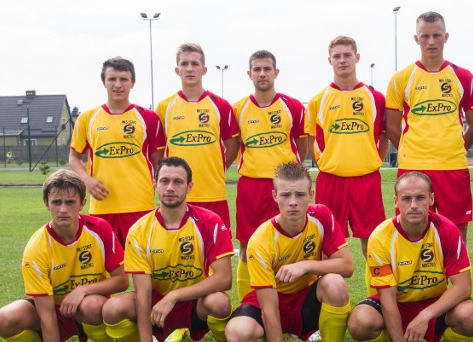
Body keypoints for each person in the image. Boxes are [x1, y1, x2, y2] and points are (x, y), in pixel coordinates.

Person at [102, 157, 239, 342]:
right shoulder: (140, 230)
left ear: (190, 186)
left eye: (178, 182)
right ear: (154, 183)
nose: (170, 188)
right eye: (164, 181)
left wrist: (174, 295)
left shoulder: (209, 221)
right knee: (112, 309)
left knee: (220, 301)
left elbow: (224, 278)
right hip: (155, 306)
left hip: (195, 303)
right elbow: (143, 296)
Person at [0, 169, 128, 342]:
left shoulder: (99, 229)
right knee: (5, 319)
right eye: (56, 202)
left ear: (83, 203)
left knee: (92, 304)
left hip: (89, 308)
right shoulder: (36, 248)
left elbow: (122, 280)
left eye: (69, 202)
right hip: (53, 308)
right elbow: (46, 314)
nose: (63, 209)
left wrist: (83, 290)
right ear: (46, 203)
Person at [224, 162, 353, 342]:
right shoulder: (261, 240)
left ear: (311, 195)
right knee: (237, 336)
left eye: (300, 194)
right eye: (286, 195)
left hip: (305, 298)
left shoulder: (321, 215)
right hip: (270, 301)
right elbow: (269, 310)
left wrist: (305, 266)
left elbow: (347, 265)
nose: (293, 201)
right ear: (275, 196)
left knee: (335, 283)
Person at [348, 172, 473, 342]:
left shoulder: (446, 230)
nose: (414, 205)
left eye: (420, 198)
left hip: (433, 303)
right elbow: (387, 299)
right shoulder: (380, 237)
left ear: (431, 199)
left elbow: (463, 287)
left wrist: (425, 315)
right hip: (396, 303)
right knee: (359, 322)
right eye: (406, 199)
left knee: (471, 316)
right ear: (396, 201)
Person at [385, 11, 473, 242]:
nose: (431, 41)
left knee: (456, 231)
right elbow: (391, 128)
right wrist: (411, 149)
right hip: (413, 166)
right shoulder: (402, 77)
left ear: (446, 37)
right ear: (416, 39)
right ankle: (414, 277)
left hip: (452, 165)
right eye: (425, 36)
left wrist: (455, 147)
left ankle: (455, 278)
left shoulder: (463, 76)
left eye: (436, 35)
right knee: (410, 229)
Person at [231, 50, 307, 301]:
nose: (262, 73)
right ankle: (246, 305)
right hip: (251, 186)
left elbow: (302, 146)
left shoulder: (293, 106)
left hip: (286, 187)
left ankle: (299, 310)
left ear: (276, 72)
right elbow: (233, 147)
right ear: (249, 74)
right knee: (246, 246)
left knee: (296, 245)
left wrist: (291, 174)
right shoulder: (238, 109)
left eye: (267, 68)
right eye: (257, 69)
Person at [304, 35, 388, 260]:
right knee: (327, 245)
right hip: (331, 179)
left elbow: (383, 137)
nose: (342, 60)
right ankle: (330, 295)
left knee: (373, 243)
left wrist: (370, 161)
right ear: (329, 60)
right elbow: (311, 140)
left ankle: (376, 294)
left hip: (367, 179)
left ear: (357, 57)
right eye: (337, 56)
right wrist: (326, 163)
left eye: (347, 55)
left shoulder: (376, 98)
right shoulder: (317, 100)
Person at [69, 57, 165, 245]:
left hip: (140, 204)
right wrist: (87, 180)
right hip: (103, 205)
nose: (118, 85)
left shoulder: (149, 118)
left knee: (142, 265)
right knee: (106, 267)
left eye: (124, 79)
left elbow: (158, 159)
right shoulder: (87, 118)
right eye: (112, 79)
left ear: (132, 83)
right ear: (104, 82)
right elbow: (74, 157)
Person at [156, 43, 239, 231]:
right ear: (177, 70)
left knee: (216, 253)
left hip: (213, 193)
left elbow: (232, 145)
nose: (190, 69)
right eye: (184, 64)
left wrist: (218, 168)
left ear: (204, 69)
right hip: (178, 195)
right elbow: (158, 152)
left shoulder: (221, 105)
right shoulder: (164, 107)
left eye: (195, 64)